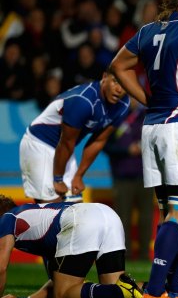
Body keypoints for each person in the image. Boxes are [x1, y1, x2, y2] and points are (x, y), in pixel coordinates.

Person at [110, 0, 178, 298]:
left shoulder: (147, 31)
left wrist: (147, 99)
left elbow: (118, 66)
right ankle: (155, 291)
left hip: (152, 127)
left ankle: (175, 291)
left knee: (169, 211)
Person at [0, 195, 142, 298]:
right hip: (108, 214)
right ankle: (157, 288)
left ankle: (119, 291)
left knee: (62, 295)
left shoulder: (6, 218)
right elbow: (56, 280)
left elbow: (1, 267)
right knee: (112, 290)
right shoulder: (35, 222)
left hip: (81, 218)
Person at [19, 70, 129, 203]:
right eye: (115, 82)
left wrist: (79, 176)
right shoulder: (83, 100)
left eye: (124, 85)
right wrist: (58, 179)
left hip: (63, 150)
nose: (119, 89)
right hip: (39, 144)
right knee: (51, 207)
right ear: (104, 77)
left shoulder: (123, 104)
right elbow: (66, 142)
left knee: (75, 208)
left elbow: (98, 141)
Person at [103, 101, 154, 261]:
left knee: (146, 217)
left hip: (145, 176)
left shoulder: (147, 117)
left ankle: (145, 254)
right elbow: (105, 146)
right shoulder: (114, 116)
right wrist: (126, 150)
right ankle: (124, 254)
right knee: (122, 218)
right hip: (122, 176)